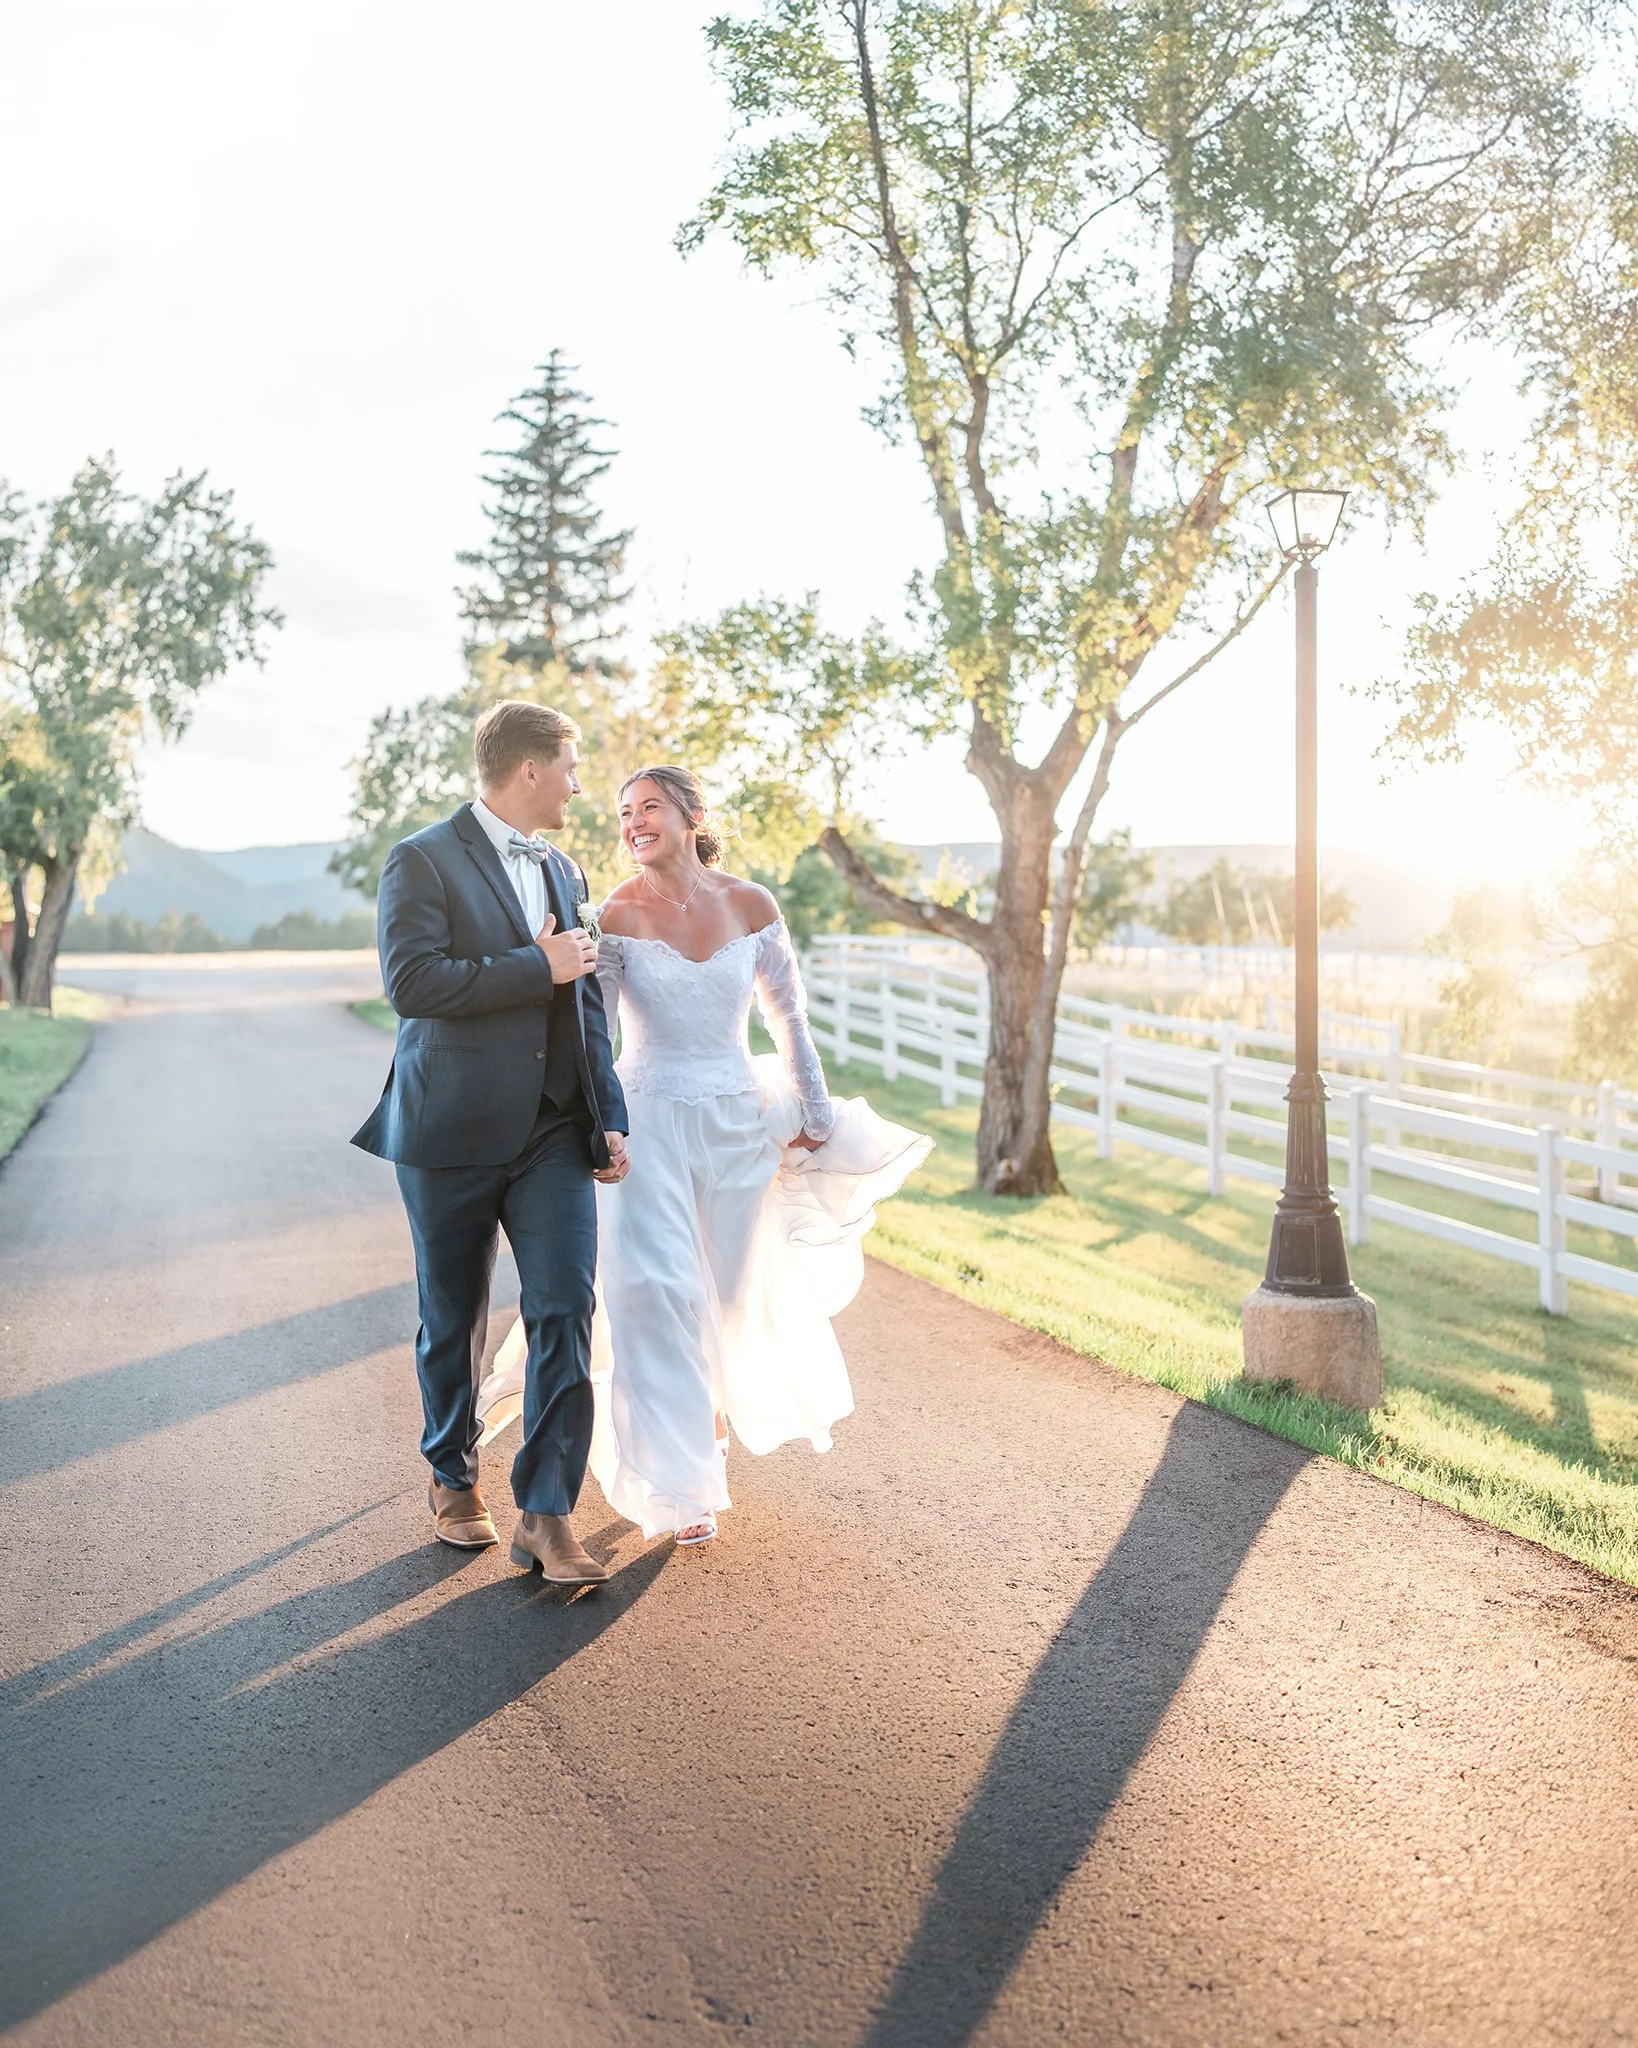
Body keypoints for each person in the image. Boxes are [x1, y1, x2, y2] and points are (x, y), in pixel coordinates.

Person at [478, 765, 932, 1546]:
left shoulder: (752, 903)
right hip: (645, 1122)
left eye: (648, 806)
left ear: (691, 815)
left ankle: (709, 1417)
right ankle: (683, 1486)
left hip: (737, 1121)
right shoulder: (611, 912)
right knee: (656, 1293)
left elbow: (789, 1019)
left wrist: (815, 1113)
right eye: (624, 812)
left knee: (726, 1297)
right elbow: (596, 1033)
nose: (632, 821)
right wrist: (598, 1123)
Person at [352, 700, 629, 1586]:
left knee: (563, 1307)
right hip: (450, 1128)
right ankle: (451, 1474)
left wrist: (606, 1112)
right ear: (530, 770)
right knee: (454, 1314)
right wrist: (529, 967)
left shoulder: (564, 865)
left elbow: (583, 999)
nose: (581, 785)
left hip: (552, 1131)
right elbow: (412, 983)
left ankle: (546, 1513)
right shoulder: (421, 858)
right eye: (573, 767)